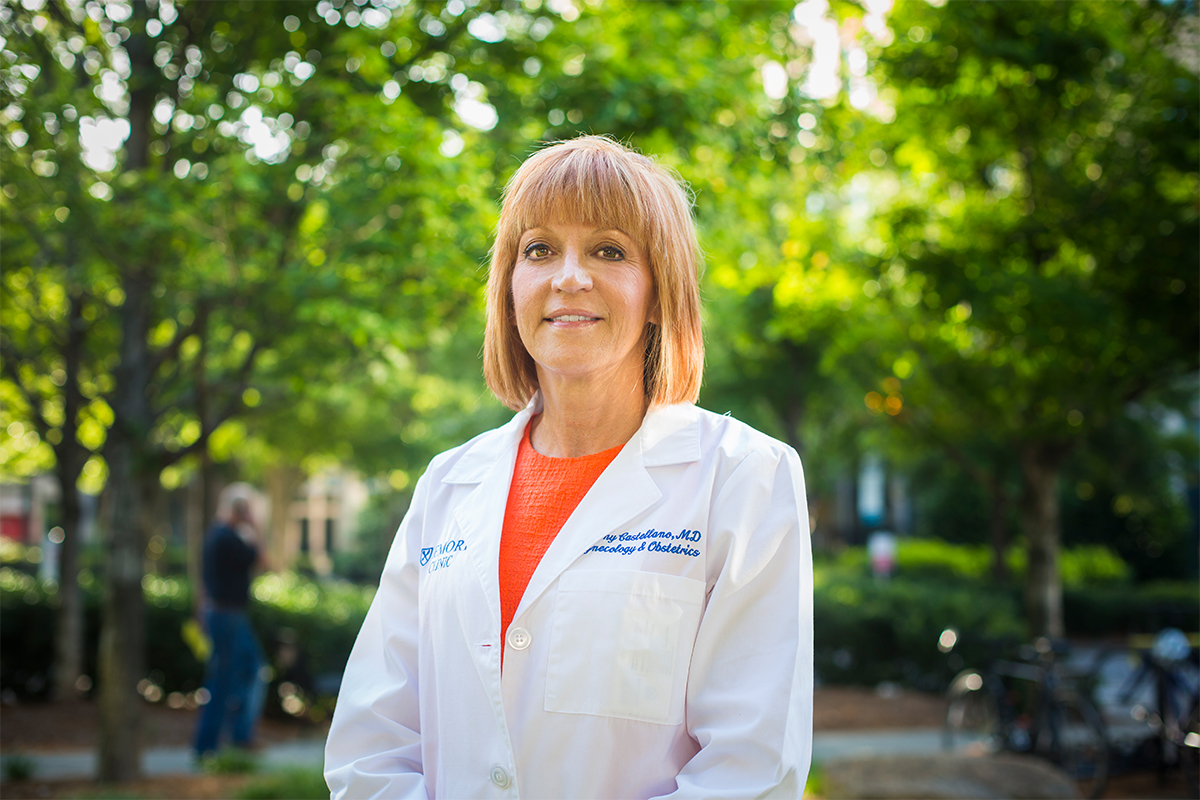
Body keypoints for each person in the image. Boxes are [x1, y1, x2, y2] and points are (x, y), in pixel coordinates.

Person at [325, 136, 813, 798]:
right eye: (539, 250)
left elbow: (750, 771)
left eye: (609, 250)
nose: (568, 277)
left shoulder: (744, 478)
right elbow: (371, 747)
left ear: (659, 291)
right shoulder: (447, 485)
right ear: (510, 287)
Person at [193, 496, 268, 758]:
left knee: (248, 670)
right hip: (228, 616)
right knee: (223, 678)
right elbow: (263, 559)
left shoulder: (217, 536)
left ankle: (235, 736)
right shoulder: (227, 539)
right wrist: (255, 528)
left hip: (225, 614)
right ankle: (209, 746)